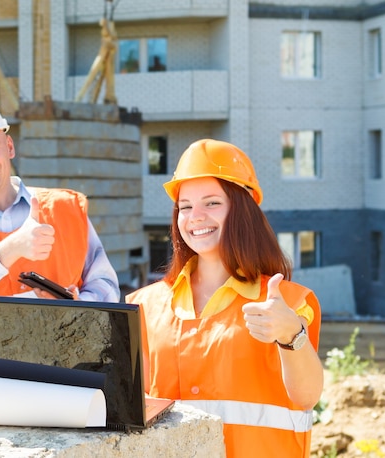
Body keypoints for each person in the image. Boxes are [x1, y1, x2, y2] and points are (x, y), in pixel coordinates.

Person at [126, 139, 323, 457]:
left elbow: (306, 396)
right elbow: (133, 408)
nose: (195, 217)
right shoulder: (144, 306)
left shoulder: (289, 302)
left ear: (243, 211)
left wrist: (292, 336)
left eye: (212, 203)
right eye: (185, 206)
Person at [0, 94, 120, 311]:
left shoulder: (66, 208)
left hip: (67, 344)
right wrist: (11, 248)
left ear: (9, 147)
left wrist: (76, 308)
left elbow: (106, 286)